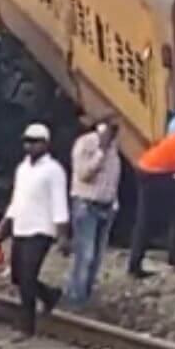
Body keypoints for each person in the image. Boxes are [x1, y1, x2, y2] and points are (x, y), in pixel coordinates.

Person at [0, 123, 69, 341]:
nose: (29, 146)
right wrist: (4, 227)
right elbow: (16, 201)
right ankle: (49, 295)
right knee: (17, 276)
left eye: (34, 142)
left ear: (45, 144)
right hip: (21, 228)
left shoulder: (53, 170)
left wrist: (62, 234)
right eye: (27, 141)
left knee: (27, 277)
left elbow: (59, 202)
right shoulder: (22, 169)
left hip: (41, 229)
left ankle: (26, 326)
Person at [133, 114, 175, 274]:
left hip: (150, 169)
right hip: (153, 172)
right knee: (166, 212)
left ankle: (142, 261)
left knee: (151, 217)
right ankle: (173, 256)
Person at [65, 120, 121, 307]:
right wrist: (100, 152)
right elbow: (83, 174)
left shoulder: (114, 148)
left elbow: (112, 177)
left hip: (106, 205)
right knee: (85, 254)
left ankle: (85, 296)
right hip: (86, 204)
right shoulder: (85, 143)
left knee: (97, 257)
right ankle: (75, 298)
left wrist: (114, 202)